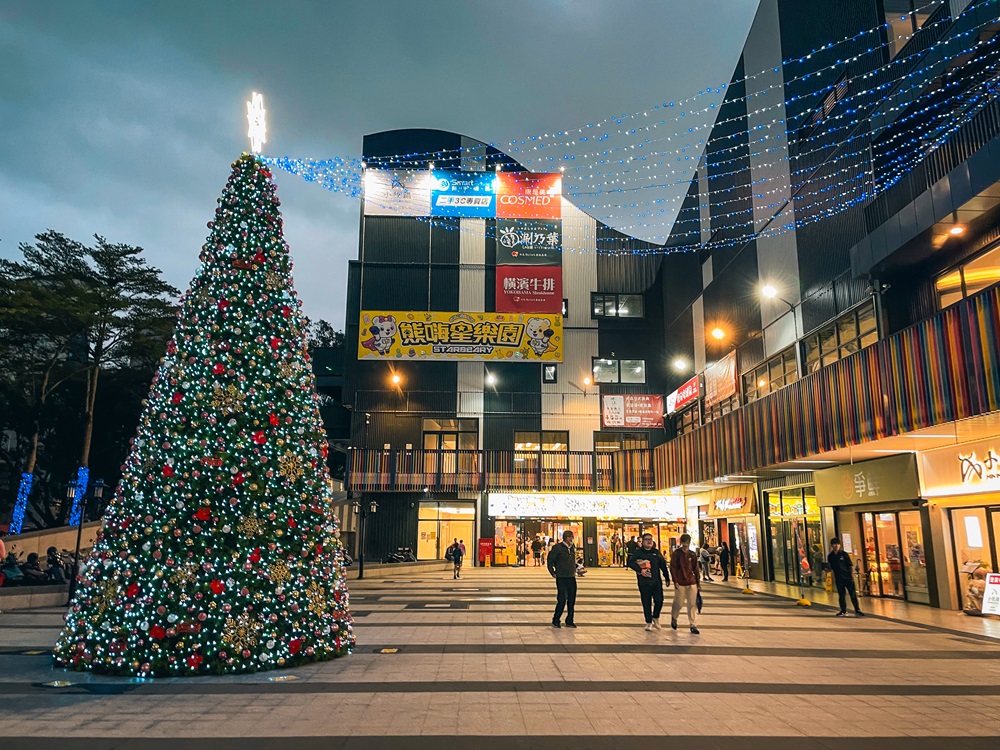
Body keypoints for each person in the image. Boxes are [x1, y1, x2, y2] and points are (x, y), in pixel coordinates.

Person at [627, 532, 670, 631]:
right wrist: (640, 570)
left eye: (650, 539)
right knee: (646, 602)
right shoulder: (638, 553)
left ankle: (655, 616)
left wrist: (667, 577)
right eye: (646, 539)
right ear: (642, 542)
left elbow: (663, 565)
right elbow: (630, 562)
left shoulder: (656, 552)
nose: (649, 541)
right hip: (644, 582)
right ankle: (648, 622)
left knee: (659, 600)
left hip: (656, 581)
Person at [669, 533, 701, 634]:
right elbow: (673, 567)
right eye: (684, 543)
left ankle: (693, 624)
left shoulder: (692, 554)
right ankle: (674, 617)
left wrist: (698, 582)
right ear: (681, 543)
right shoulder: (676, 554)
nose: (685, 546)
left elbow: (696, 568)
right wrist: (675, 580)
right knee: (678, 603)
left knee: (692, 604)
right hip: (680, 582)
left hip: (691, 582)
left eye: (687, 543)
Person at [547, 530, 578, 628]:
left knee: (572, 599)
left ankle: (570, 620)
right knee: (562, 599)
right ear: (567, 537)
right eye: (571, 537)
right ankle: (556, 619)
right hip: (561, 576)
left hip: (571, 576)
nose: (572, 539)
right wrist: (552, 572)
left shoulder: (572, 547)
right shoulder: (557, 548)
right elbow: (550, 560)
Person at [828, 538, 864, 617]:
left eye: (838, 544)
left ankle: (857, 610)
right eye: (834, 544)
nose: (836, 546)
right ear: (831, 545)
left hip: (847, 577)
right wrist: (826, 569)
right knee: (841, 594)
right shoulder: (830, 556)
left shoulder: (844, 554)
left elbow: (850, 565)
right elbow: (830, 567)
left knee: (853, 594)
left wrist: (851, 576)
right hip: (838, 577)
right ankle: (843, 610)